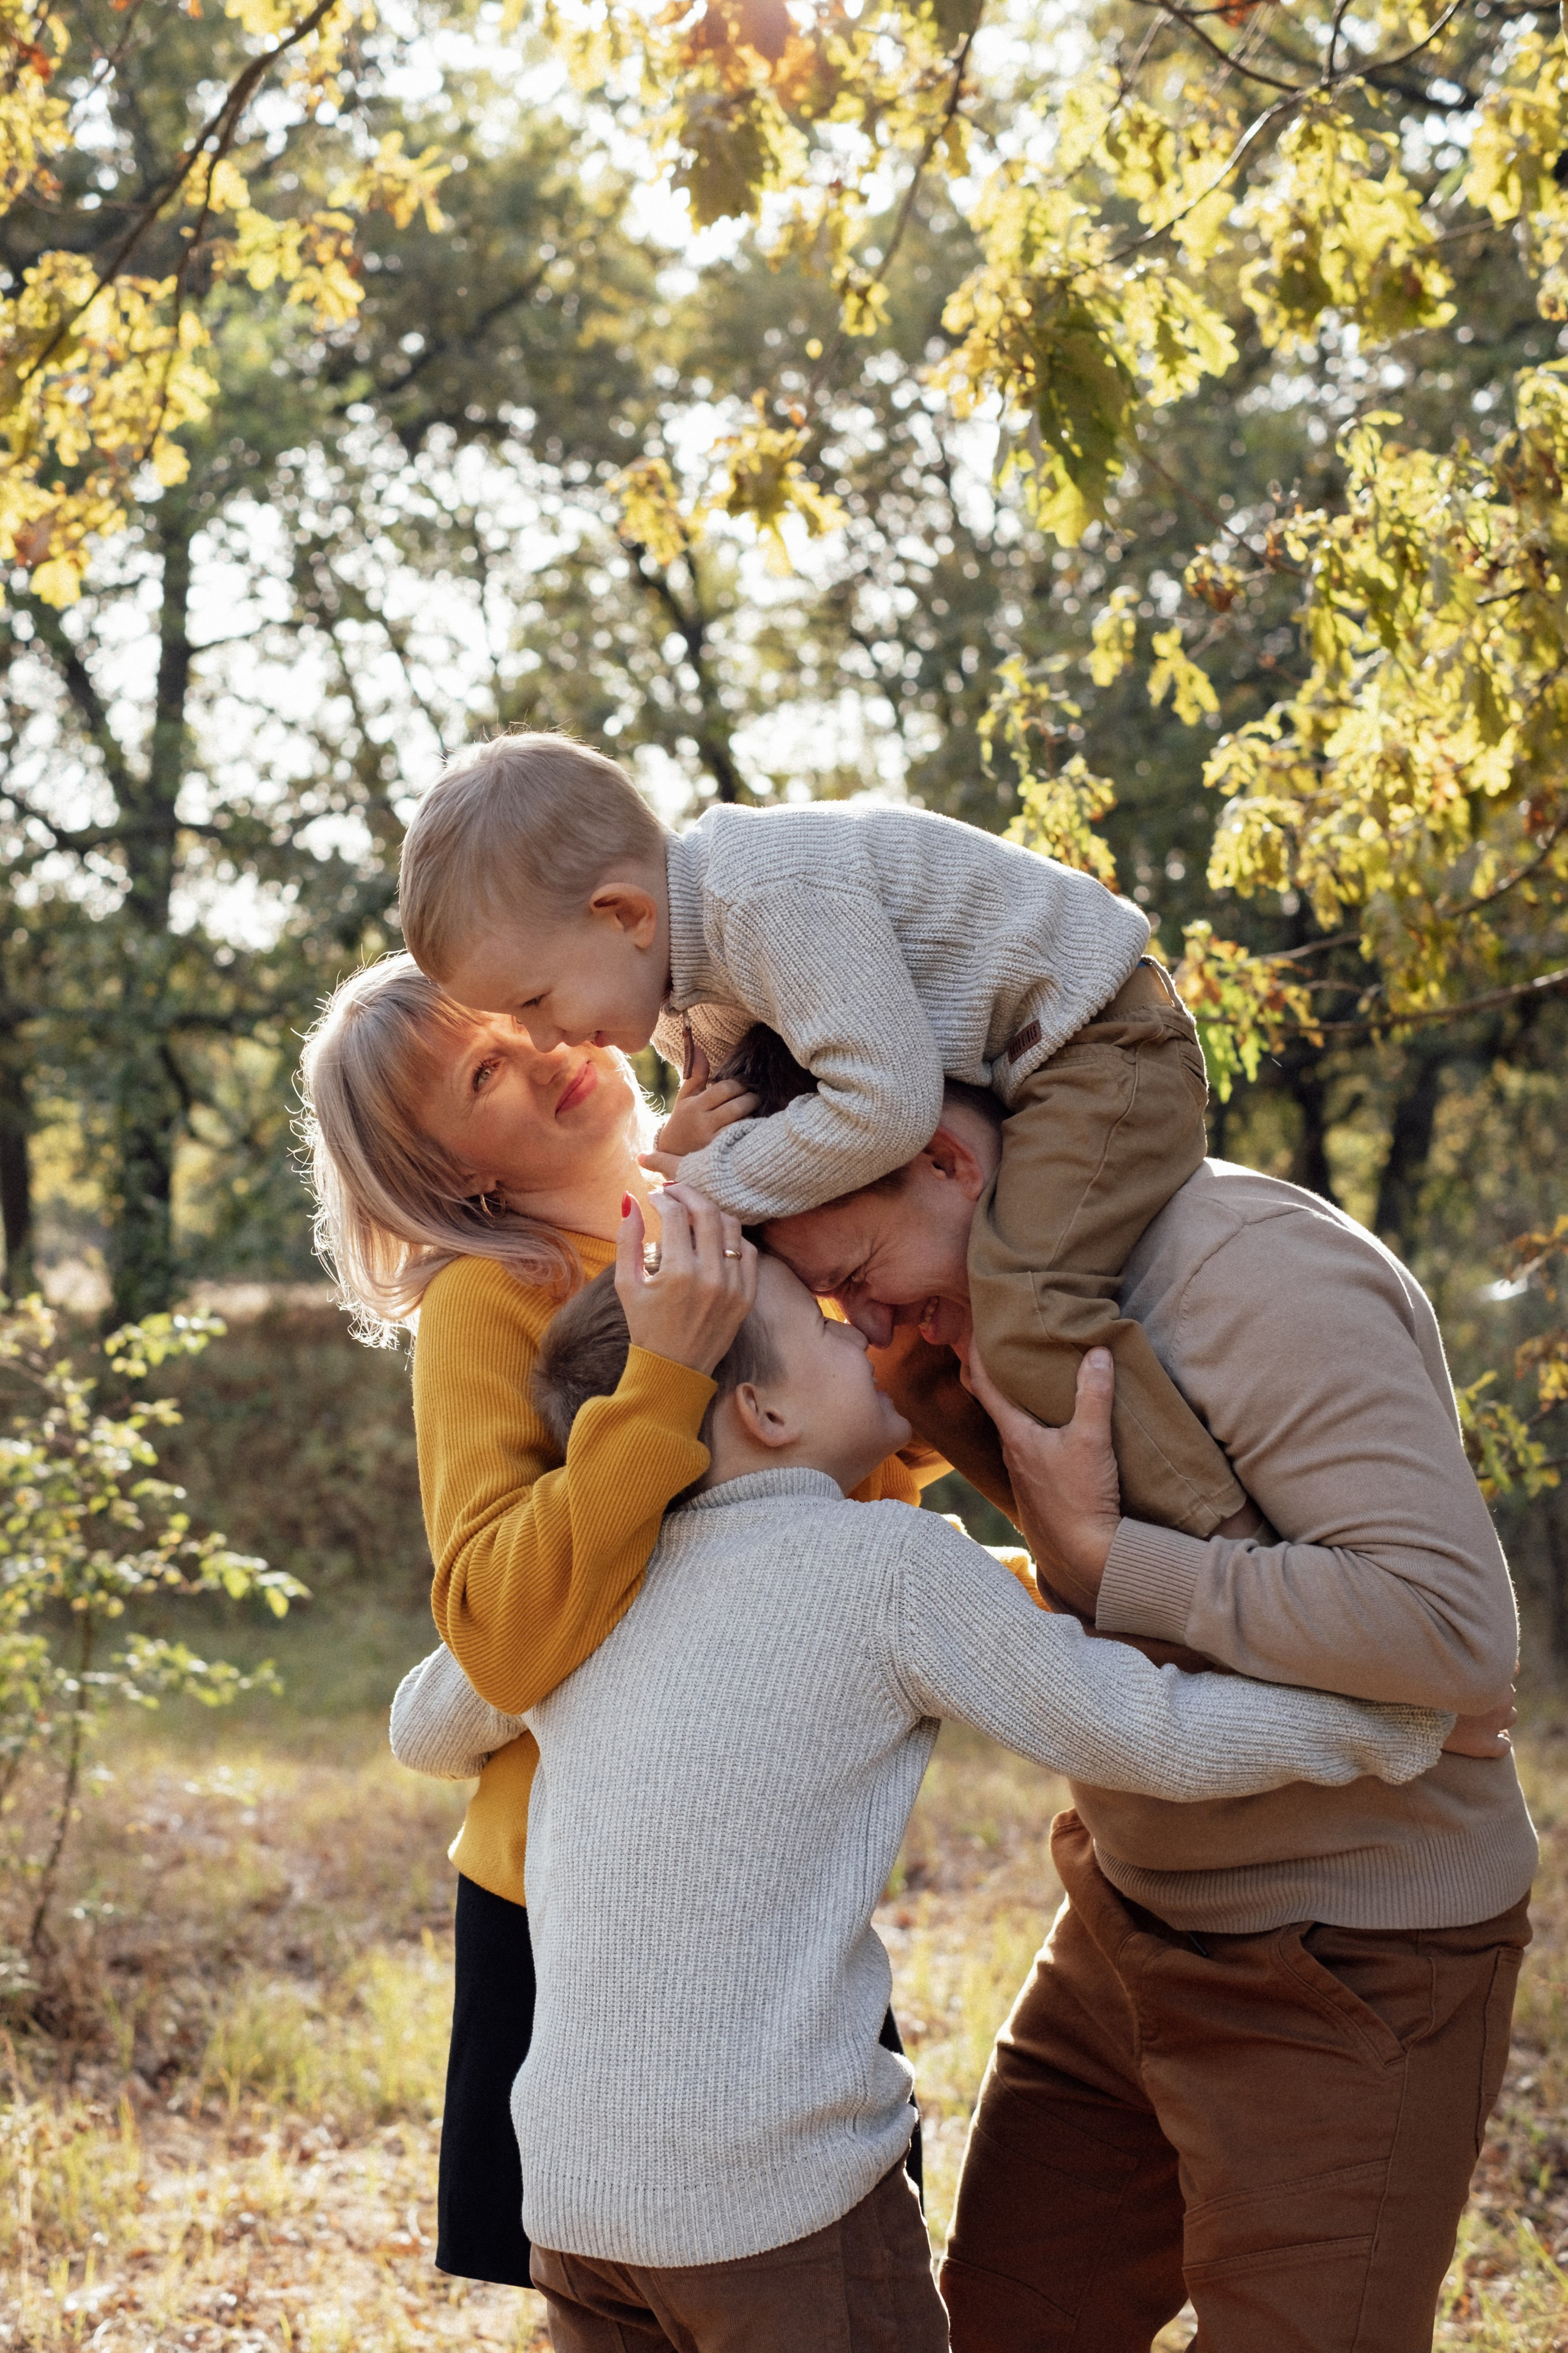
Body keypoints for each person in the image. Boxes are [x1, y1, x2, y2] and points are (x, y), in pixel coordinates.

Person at [395, 1253, 1452, 2353]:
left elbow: (421, 1728)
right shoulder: (883, 1566)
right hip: (774, 2205)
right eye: (825, 1322)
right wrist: (1387, 1723)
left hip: (573, 2197)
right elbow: (1142, 1730)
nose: (862, 1331)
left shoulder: (586, 1587)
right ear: (762, 1406)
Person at [758, 1071, 1536, 2353]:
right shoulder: (981, 1323)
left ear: (951, 1162)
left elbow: (1450, 1634)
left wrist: (1113, 1559)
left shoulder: (1240, 1270)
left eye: (858, 1266)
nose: (866, 1315)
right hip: (1120, 1931)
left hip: (1346, 1961)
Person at [298, 953, 930, 2292]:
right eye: (482, 1072)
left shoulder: (731, 1212)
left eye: (523, 1022)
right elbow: (501, 1630)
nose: (541, 1055)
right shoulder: (487, 1298)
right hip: (571, 1885)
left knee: (816, 2258)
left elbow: (839, 1476)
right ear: (443, 1169)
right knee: (630, 2294)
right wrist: (663, 1372)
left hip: (764, 1853)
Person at [394, 729, 1250, 1540]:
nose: (540, 1037)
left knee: (1025, 1304)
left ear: (624, 914)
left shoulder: (766, 895)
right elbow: (782, 1133)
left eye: (535, 1001)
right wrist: (696, 1162)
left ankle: (1223, 1546)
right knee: (910, 1371)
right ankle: (1087, 1572)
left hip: (1097, 1044)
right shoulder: (682, 1003)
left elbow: (886, 1105)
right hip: (1000, 1086)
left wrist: (705, 1180)